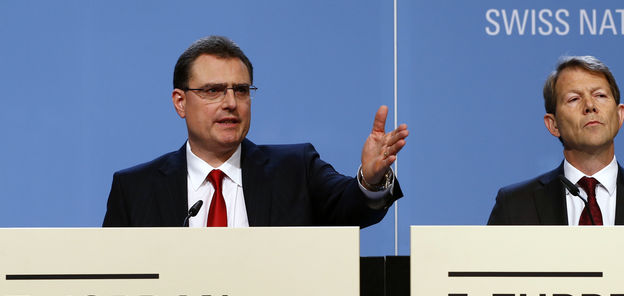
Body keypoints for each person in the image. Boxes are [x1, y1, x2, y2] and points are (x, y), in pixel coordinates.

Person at [103, 36, 408, 227]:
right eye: (213, 91)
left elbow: (352, 209)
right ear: (180, 102)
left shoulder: (296, 170)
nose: (232, 103)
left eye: (241, 90)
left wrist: (370, 179)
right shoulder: (135, 189)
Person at [488, 55, 624, 225]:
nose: (590, 106)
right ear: (553, 125)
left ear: (620, 115)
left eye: (600, 96)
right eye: (574, 99)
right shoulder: (515, 206)